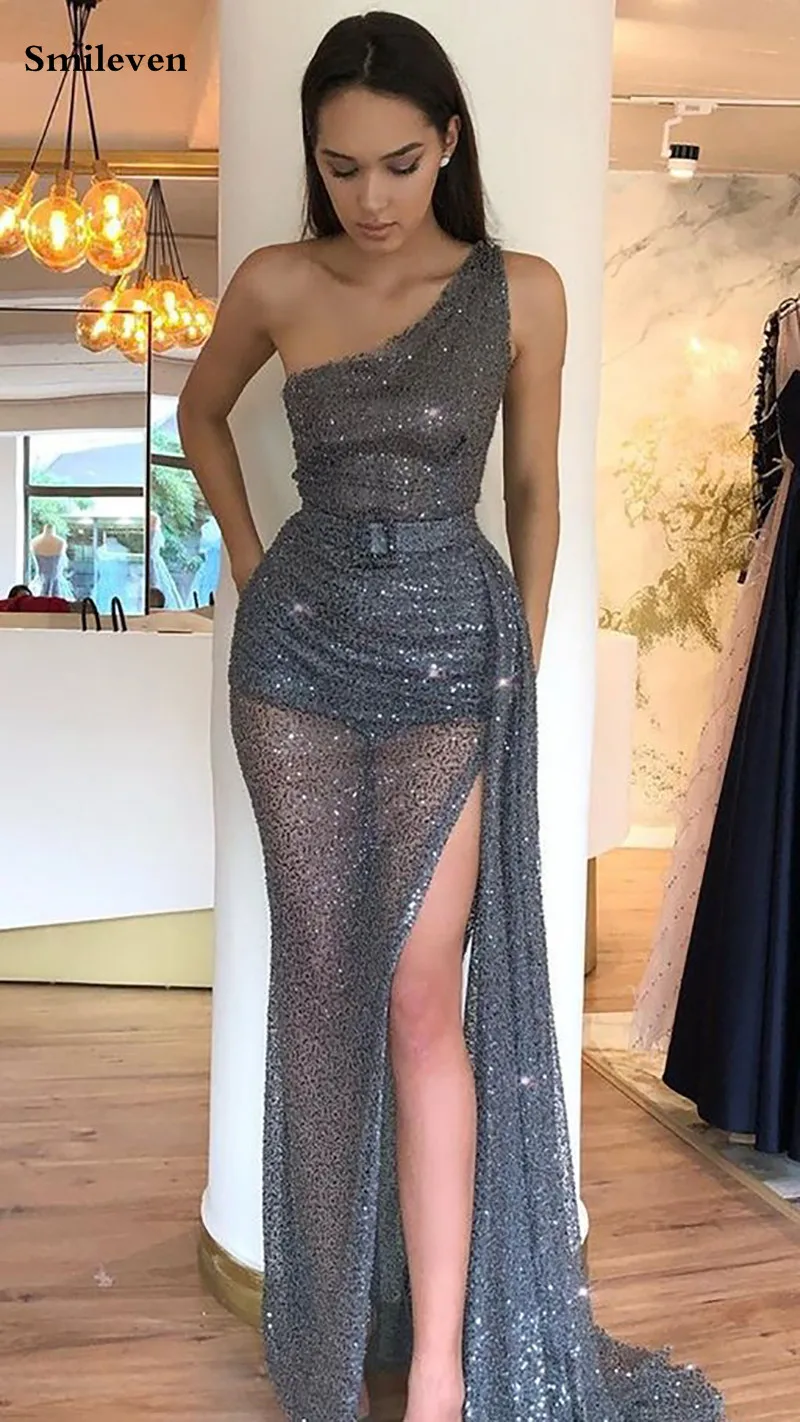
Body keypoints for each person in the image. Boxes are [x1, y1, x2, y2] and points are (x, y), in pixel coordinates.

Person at [177, 13, 726, 1422]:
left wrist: (516, 660)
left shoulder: (520, 292)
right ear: (313, 157)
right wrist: (251, 564)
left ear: (450, 144)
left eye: (400, 162)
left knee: (423, 995)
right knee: (321, 989)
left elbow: (535, 491)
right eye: (342, 166)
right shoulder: (276, 279)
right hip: (297, 664)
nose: (371, 197)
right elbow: (201, 413)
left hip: (447, 660)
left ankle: (433, 1370)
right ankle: (319, 1343)